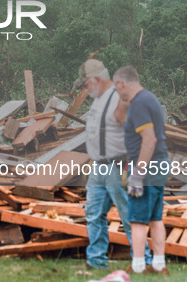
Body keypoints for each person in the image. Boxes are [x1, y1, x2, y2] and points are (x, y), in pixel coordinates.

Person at [74, 59, 151, 270]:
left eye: (86, 84)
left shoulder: (119, 98)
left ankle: (144, 262)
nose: (85, 89)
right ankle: (96, 261)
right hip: (99, 167)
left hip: (118, 166)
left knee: (128, 216)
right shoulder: (98, 99)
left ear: (96, 80)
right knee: (93, 213)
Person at [113, 66, 170, 275]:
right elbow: (120, 119)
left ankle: (138, 267)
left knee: (137, 219)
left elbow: (149, 139)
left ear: (121, 83)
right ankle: (158, 265)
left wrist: (138, 171)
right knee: (155, 218)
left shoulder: (139, 104)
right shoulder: (148, 99)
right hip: (159, 164)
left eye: (116, 88)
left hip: (148, 167)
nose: (117, 92)